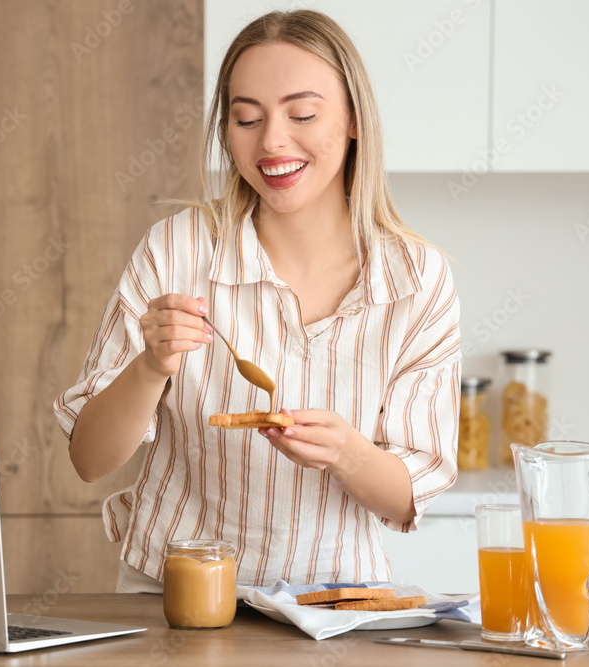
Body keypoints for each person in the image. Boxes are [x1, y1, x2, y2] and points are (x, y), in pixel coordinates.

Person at [54, 10, 461, 593]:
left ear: (352, 121)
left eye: (302, 114)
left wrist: (346, 452)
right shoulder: (177, 248)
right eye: (246, 118)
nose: (271, 140)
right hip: (173, 593)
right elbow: (90, 460)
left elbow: (407, 500)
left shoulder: (417, 279)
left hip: (337, 606)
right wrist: (151, 367)